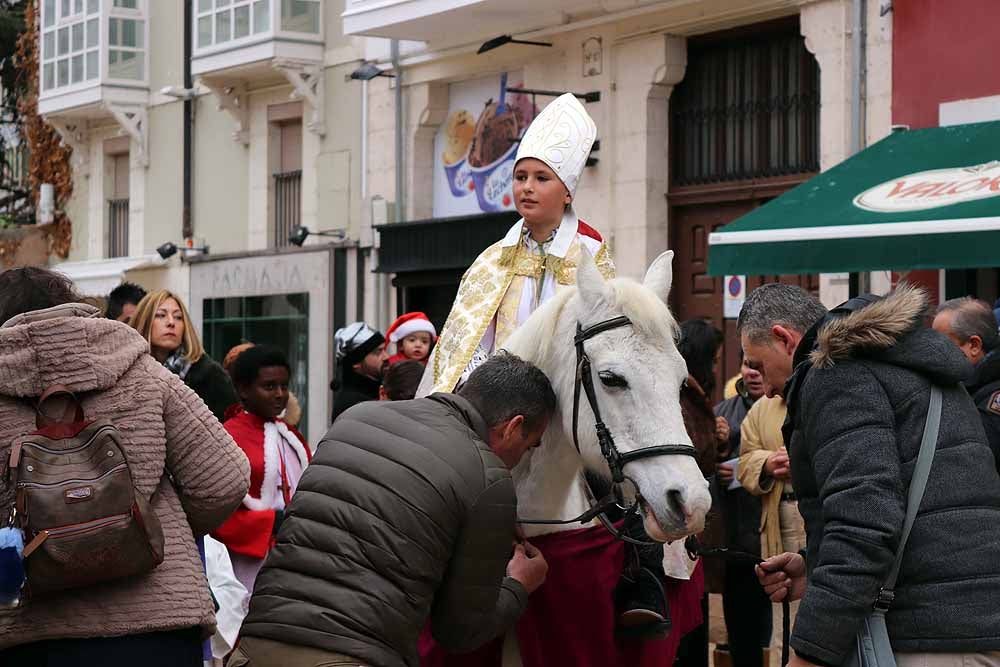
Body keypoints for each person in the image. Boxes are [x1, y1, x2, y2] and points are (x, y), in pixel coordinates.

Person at [231, 352, 555, 667]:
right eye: (530, 446)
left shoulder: (358, 417)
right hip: (351, 655)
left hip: (256, 646)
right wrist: (518, 584)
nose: (522, 459)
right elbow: (460, 632)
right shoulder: (488, 477)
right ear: (513, 427)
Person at [740, 283, 1000, 667]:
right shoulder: (903, 363)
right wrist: (814, 565)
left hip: (921, 637)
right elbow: (915, 500)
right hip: (970, 624)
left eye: (758, 364)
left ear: (783, 337)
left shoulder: (834, 373)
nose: (767, 391)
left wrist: (810, 652)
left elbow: (864, 525)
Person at [0, 267, 250, 666]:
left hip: (34, 636)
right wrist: (140, 528)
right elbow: (224, 480)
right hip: (159, 625)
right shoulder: (141, 370)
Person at [422, 92, 614, 396]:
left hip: (568, 396)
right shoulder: (494, 259)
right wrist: (490, 384)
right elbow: (467, 340)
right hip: (502, 399)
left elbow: (606, 337)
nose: (527, 188)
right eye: (520, 177)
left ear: (567, 193)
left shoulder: (590, 254)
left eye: (541, 178)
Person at [213, 345, 311, 593]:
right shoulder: (228, 437)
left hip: (294, 552)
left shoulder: (291, 436)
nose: (280, 394)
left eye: (284, 386)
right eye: (269, 387)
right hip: (249, 560)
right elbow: (215, 508)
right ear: (244, 390)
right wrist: (269, 522)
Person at [673, 319, 728, 667]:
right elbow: (693, 455)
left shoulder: (691, 391)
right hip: (681, 524)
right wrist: (713, 438)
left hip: (690, 528)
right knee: (688, 618)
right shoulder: (682, 394)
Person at [714, 356, 772, 667]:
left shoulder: (788, 407)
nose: (754, 373)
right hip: (738, 540)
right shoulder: (722, 413)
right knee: (742, 629)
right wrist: (720, 453)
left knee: (777, 625)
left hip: (779, 534)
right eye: (748, 365)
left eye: (759, 366)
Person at [130, 290, 237, 423]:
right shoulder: (128, 372)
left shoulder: (211, 376)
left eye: (178, 317)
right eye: (161, 315)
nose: (171, 322)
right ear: (144, 321)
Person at [932, 297, 1000, 467]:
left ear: (974, 345)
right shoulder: (970, 384)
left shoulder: (992, 398)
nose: (932, 352)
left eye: (941, 343)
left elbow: (978, 459)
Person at [331, 321, 388, 422]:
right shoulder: (351, 405)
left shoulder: (379, 392)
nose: (386, 357)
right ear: (356, 362)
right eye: (378, 352)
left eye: (384, 350)